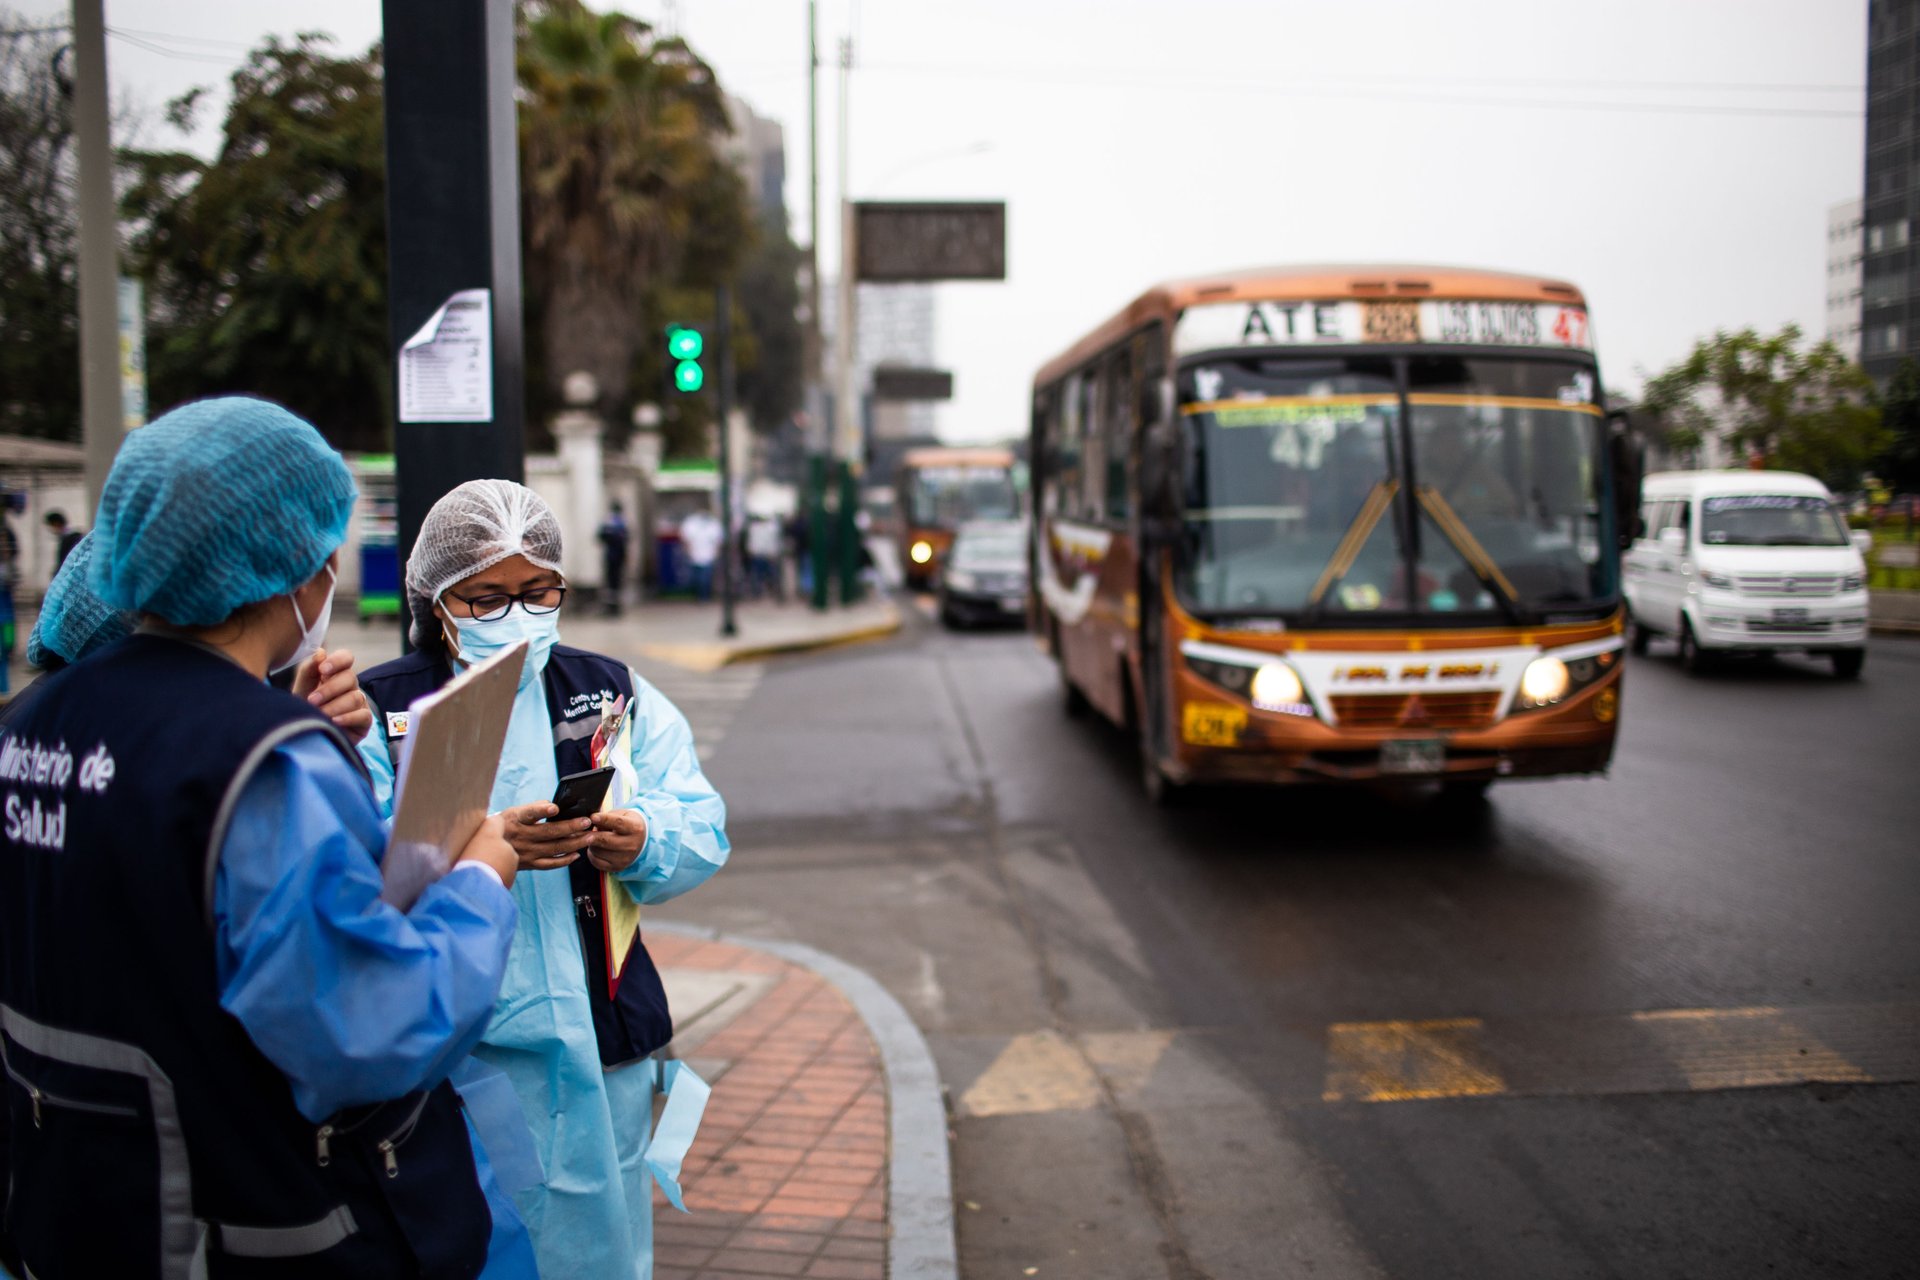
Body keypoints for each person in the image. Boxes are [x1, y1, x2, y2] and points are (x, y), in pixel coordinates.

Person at [0, 396, 533, 1279]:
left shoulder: (35, 724)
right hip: (249, 1228)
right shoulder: (265, 764)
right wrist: (479, 879)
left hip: (79, 1212)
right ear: (304, 570)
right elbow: (366, 1037)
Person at [356, 479, 729, 1280]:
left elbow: (700, 821)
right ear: (435, 598)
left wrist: (644, 841)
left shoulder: (612, 694)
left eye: (537, 592)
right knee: (473, 1241)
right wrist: (480, 850)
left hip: (606, 1039)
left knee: (606, 1243)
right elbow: (350, 869)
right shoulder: (381, 712)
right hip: (456, 1046)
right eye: (486, 597)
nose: (517, 614)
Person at [678, 507, 722, 602]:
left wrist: (716, 552)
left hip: (708, 555)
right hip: (695, 554)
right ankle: (700, 595)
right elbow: (686, 539)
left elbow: (718, 540)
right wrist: (688, 550)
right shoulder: (691, 523)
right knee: (697, 577)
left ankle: (704, 596)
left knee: (705, 577)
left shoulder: (713, 524)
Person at [597, 501, 631, 616]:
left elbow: (600, 537)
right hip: (619, 556)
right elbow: (627, 538)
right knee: (617, 582)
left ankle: (611, 607)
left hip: (611, 556)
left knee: (611, 582)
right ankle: (616, 607)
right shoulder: (622, 522)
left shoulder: (608, 522)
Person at [745, 512, 784, 601]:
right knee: (761, 575)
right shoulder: (756, 528)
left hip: (766, 554)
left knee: (766, 574)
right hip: (761, 554)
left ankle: (765, 591)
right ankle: (759, 592)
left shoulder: (768, 528)